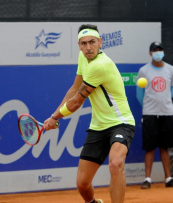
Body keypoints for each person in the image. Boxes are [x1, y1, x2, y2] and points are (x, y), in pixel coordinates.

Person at [43, 24, 136, 203]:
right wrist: (53, 115)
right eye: (83, 44)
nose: (88, 47)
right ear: (79, 46)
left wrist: (55, 118)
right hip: (98, 126)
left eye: (92, 42)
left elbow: (77, 101)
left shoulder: (100, 65)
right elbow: (74, 89)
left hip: (121, 122)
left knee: (116, 163)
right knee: (82, 184)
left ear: (100, 42)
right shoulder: (83, 57)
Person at [136, 41, 173, 189]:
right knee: (149, 147)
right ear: (150, 54)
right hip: (149, 114)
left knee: (165, 147)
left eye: (160, 50)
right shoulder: (143, 71)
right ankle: (147, 179)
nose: (157, 52)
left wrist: (164, 102)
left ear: (163, 52)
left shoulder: (171, 69)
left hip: (167, 113)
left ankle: (168, 179)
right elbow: (139, 94)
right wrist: (148, 107)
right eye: (155, 50)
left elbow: (172, 89)